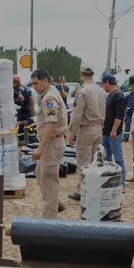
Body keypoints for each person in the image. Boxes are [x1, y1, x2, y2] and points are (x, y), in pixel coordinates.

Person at [29, 69, 69, 218]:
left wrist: (40, 148)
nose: (34, 87)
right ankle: (56, 204)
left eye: (36, 83)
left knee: (48, 181)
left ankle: (49, 219)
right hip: (51, 142)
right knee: (40, 173)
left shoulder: (49, 98)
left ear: (45, 80)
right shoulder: (48, 94)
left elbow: (50, 125)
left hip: (51, 143)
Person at [67, 63, 105, 201]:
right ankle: (94, 189)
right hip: (98, 128)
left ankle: (82, 191)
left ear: (81, 74)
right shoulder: (100, 90)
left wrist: (72, 133)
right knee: (96, 162)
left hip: (86, 129)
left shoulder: (82, 91)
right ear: (93, 74)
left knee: (83, 162)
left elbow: (76, 115)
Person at [100, 73, 127, 189]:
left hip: (113, 134)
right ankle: (109, 180)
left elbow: (119, 116)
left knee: (118, 159)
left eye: (103, 84)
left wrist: (114, 130)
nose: (102, 87)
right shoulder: (110, 95)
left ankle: (122, 183)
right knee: (106, 158)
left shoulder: (118, 96)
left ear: (107, 83)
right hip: (106, 133)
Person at [13, 75, 34, 143]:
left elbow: (31, 97)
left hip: (27, 110)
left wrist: (32, 108)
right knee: (20, 126)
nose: (12, 84)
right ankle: (21, 140)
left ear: (17, 82)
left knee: (29, 125)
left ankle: (32, 140)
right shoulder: (14, 90)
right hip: (20, 110)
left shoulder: (23, 88)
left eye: (13, 82)